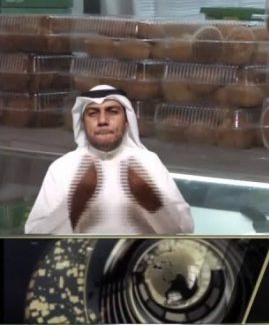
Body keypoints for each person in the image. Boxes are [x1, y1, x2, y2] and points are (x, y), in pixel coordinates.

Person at [25, 86, 194, 235]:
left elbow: (186, 229)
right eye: (93, 113)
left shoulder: (149, 163)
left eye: (112, 111)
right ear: (83, 124)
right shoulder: (62, 168)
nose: (103, 121)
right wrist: (74, 205)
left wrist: (154, 205)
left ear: (126, 121)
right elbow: (33, 234)